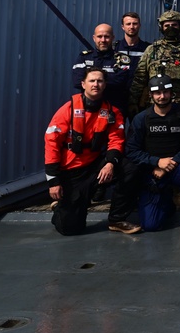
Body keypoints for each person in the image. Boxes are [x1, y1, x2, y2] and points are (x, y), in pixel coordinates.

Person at [44, 68, 140, 236]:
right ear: (83, 84)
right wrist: (53, 181)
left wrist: (110, 163)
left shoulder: (112, 112)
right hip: (71, 171)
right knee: (70, 229)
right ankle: (61, 207)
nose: (96, 84)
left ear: (105, 85)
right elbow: (51, 143)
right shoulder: (67, 110)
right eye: (92, 81)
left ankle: (116, 219)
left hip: (96, 166)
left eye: (100, 81)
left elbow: (116, 140)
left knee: (131, 167)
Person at [126, 74, 180, 240]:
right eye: (157, 93)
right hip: (153, 172)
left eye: (165, 92)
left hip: (179, 167)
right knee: (151, 226)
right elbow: (131, 150)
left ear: (172, 93)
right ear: (151, 95)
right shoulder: (141, 119)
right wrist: (156, 162)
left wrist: (173, 161)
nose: (162, 96)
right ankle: (167, 203)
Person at [128, 10, 180, 118]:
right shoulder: (152, 49)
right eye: (167, 25)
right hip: (155, 104)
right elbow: (140, 78)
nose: (170, 28)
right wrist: (133, 101)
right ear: (161, 27)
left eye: (174, 25)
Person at [71, 23, 132, 110]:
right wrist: (108, 80)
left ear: (113, 38)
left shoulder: (122, 59)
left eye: (106, 36)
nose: (103, 40)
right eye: (99, 36)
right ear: (94, 38)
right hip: (88, 108)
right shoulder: (84, 57)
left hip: (114, 108)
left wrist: (90, 81)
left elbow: (121, 82)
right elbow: (77, 81)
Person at [115, 11, 150, 77]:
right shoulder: (115, 48)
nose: (131, 27)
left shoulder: (147, 49)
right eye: (128, 24)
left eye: (135, 24)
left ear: (139, 26)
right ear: (122, 27)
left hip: (139, 86)